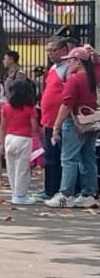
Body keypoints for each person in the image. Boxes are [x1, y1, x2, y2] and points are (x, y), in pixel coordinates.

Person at [47, 45, 99, 208]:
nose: (68, 64)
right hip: (91, 122)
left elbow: (67, 104)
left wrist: (56, 126)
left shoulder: (74, 79)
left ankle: (65, 194)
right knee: (88, 158)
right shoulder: (93, 78)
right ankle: (88, 193)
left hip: (75, 122)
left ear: (78, 61)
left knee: (68, 158)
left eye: (70, 60)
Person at [40, 37, 73, 200]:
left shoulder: (67, 68)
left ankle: (55, 189)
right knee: (49, 156)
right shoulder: (53, 67)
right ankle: (49, 187)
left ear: (64, 50)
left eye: (53, 50)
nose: (50, 54)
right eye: (48, 51)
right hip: (48, 119)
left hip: (58, 121)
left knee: (57, 157)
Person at [2, 76, 40, 205]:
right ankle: (20, 195)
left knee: (11, 168)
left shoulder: (6, 107)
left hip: (9, 138)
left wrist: (2, 142)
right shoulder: (30, 109)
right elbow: (35, 127)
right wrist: (40, 141)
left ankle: (15, 192)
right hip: (24, 138)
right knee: (22, 168)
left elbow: (3, 125)